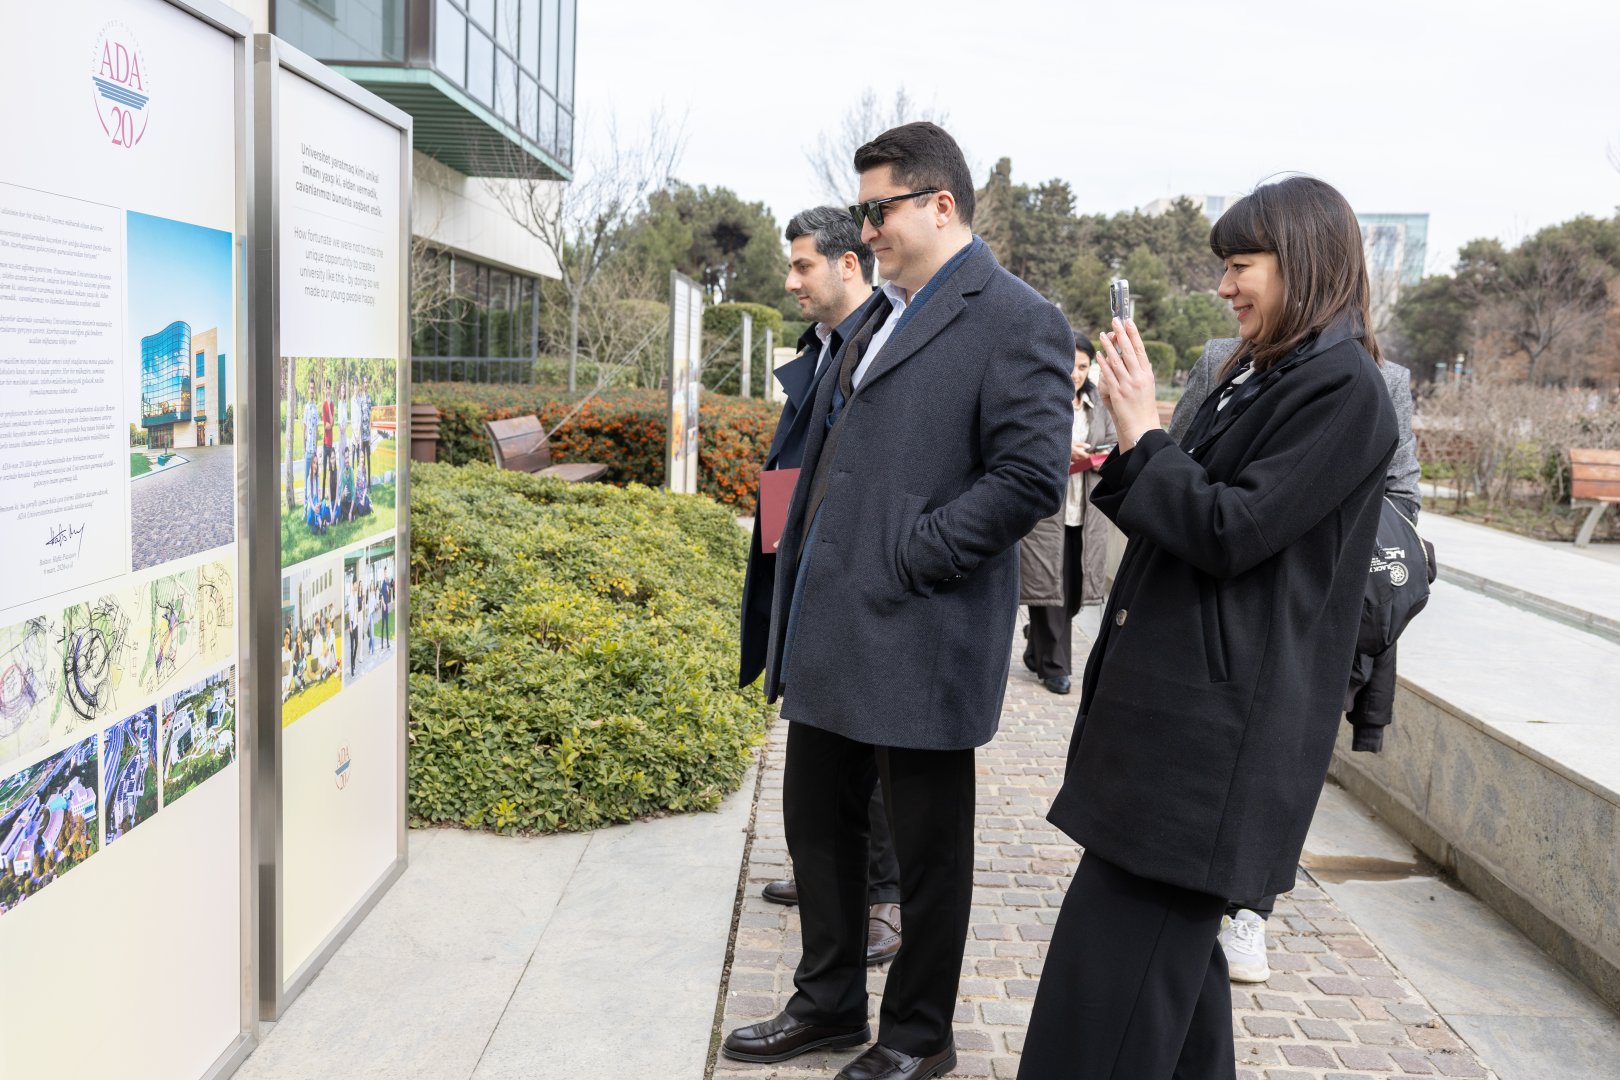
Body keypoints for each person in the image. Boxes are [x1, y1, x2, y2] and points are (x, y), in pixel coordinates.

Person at [1019, 176, 1398, 1079]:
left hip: (1211, 753)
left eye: (1241, 266)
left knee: (1099, 1008)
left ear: (1302, 263)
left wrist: (1146, 432)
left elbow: (1234, 531)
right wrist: (1141, 437)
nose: (1225, 286)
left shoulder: (1344, 389)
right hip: (1184, 739)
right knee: (1174, 1013)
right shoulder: (1269, 372)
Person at [722, 122, 1073, 1080]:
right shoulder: (882, 316)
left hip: (920, 630)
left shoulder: (1018, 318)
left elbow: (1030, 477)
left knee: (925, 857)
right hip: (833, 627)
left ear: (939, 205)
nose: (865, 229)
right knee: (819, 826)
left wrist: (915, 554)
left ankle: (920, 1036)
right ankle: (828, 1002)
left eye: (877, 210)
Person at [1170, 334, 1422, 983]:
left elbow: (1404, 493)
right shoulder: (1222, 358)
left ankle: (1251, 907)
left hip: (1322, 594)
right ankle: (1191, 884)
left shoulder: (1380, 378)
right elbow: (1179, 458)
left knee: (1287, 751)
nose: (1230, 286)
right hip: (1228, 583)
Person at [739, 205, 903, 967]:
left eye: (803, 264)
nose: (791, 279)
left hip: (854, 568)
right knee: (826, 735)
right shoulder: (834, 339)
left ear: (848, 264)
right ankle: (831, 875)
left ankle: (879, 902)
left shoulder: (884, 339)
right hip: (809, 553)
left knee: (867, 742)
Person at [1019, 331, 1117, 695]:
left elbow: (1116, 444)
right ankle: (1055, 667)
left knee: (1074, 595)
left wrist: (1099, 454)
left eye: (1082, 366)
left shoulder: (1099, 406)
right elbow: (1025, 448)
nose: (1075, 373)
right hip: (1048, 516)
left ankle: (1036, 645)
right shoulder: (1040, 402)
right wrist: (1064, 452)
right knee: (1051, 592)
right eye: (1069, 364)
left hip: (1086, 514)